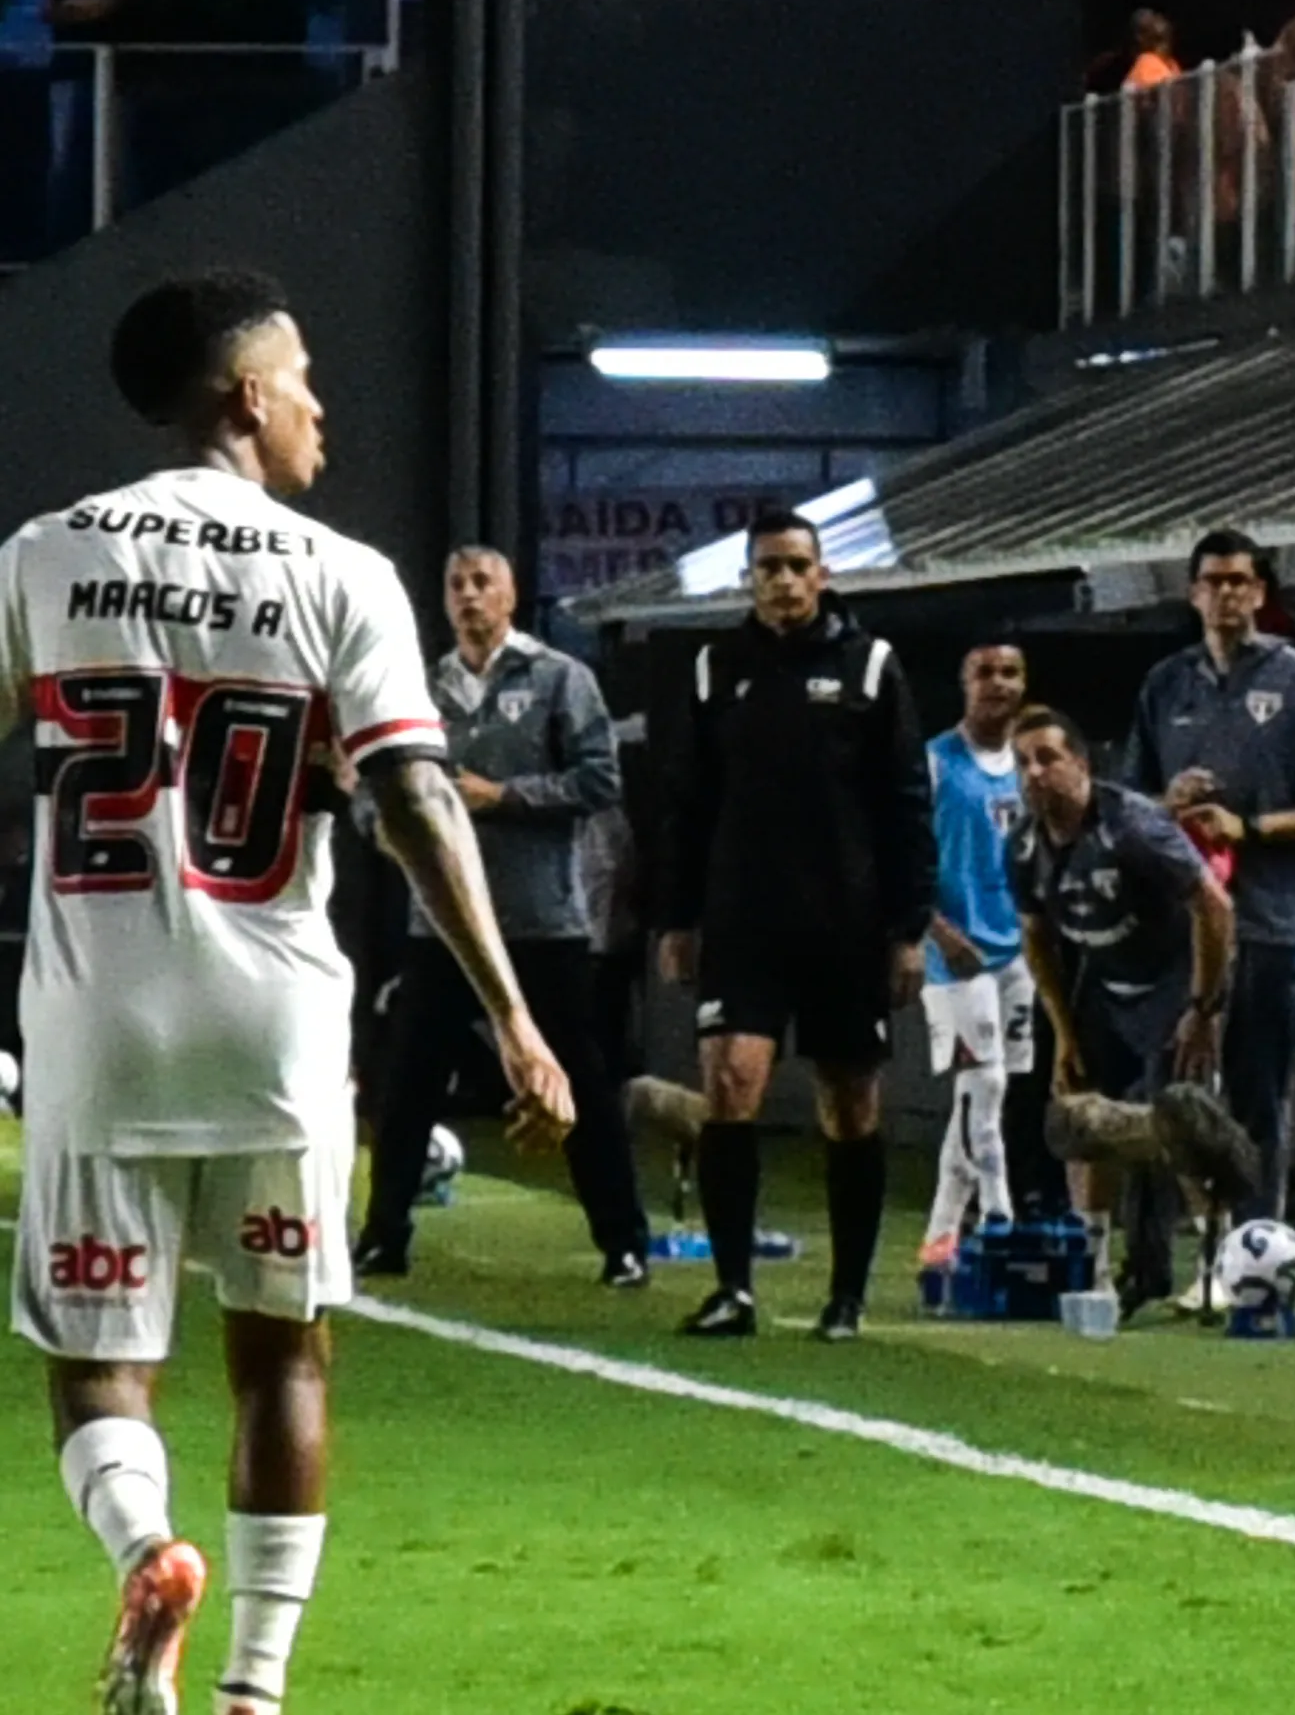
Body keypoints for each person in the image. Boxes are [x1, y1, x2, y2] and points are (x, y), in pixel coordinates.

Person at [6, 270, 573, 1715]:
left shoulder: (44, 557)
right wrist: (510, 1010)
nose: (322, 402)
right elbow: (416, 799)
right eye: (303, 373)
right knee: (283, 1356)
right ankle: (255, 1693)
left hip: (97, 1015)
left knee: (99, 1364)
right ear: (244, 395)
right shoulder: (342, 573)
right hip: (276, 1020)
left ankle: (147, 1551)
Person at [650, 507, 937, 1343]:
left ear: (821, 576)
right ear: (749, 578)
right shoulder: (715, 669)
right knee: (730, 1080)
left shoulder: (871, 666)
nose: (782, 581)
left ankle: (845, 1298)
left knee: (849, 1101)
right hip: (742, 919)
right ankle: (733, 1288)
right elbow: (683, 801)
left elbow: (907, 806)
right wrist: (677, 916)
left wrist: (907, 926)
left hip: (845, 924)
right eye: (767, 567)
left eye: (795, 567)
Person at [353, 545, 650, 1288]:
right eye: (455, 584)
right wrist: (387, 833)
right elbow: (372, 791)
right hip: (441, 927)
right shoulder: (421, 688)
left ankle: (624, 1242)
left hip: (542, 919)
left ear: (511, 594)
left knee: (578, 1077)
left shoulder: (558, 679)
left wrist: (506, 797)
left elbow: (600, 779)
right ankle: (384, 1234)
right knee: (408, 1083)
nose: (468, 595)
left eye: (482, 582)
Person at [1126, 529, 1295, 1223]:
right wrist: (1167, 807)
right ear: (1193, 592)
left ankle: (1255, 1250)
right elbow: (1128, 807)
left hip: (1267, 920)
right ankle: (1161, 1250)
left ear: (1259, 592)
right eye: (1212, 581)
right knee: (1169, 1088)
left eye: (1239, 581)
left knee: (1258, 1094)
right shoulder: (1165, 684)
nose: (1226, 593)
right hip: (1179, 926)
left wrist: (1248, 828)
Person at [1006, 709, 1232, 1313]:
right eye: (1023, 762)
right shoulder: (1024, 845)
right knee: (1084, 1117)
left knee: (1185, 1125)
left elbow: (1213, 906)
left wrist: (1203, 1008)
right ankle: (1097, 1268)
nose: (1034, 774)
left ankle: (1219, 1267)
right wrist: (1063, 1033)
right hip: (1101, 983)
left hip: (1169, 985)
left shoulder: (1134, 824)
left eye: (1047, 758)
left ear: (1080, 763)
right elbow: (1036, 940)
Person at [918, 643, 1034, 1271]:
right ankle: (999, 1216)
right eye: (984, 673)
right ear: (963, 684)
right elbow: (901, 860)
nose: (998, 684)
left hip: (1019, 952)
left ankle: (940, 1236)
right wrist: (936, 932)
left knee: (985, 1096)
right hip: (955, 954)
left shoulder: (1031, 764)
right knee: (981, 1085)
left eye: (1010, 673)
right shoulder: (934, 763)